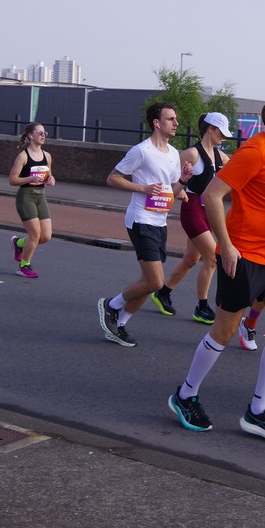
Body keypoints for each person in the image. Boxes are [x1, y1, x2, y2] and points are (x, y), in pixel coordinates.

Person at [167, 90, 265, 443]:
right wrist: (226, 247)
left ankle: (258, 411)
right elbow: (212, 195)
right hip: (245, 256)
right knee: (224, 331)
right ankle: (185, 394)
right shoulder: (254, 151)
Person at [97, 102, 192, 347]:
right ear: (157, 123)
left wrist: (182, 183)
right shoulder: (141, 151)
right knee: (156, 282)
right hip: (141, 219)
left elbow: (170, 190)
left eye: (175, 119)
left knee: (148, 282)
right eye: (170, 119)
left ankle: (119, 325)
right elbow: (112, 178)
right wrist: (143, 188)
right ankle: (112, 305)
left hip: (160, 222)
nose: (176, 123)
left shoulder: (173, 153)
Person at [152, 112, 232, 325]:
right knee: (213, 258)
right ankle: (202, 307)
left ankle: (163, 293)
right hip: (193, 210)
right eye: (221, 132)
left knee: (191, 259)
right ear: (210, 129)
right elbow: (170, 178)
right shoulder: (192, 154)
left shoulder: (221, 157)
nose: (224, 137)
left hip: (210, 211)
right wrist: (179, 190)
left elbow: (237, 174)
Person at [7, 122, 55, 278]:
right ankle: (24, 266)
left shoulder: (47, 156)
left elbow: (48, 174)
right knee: (35, 234)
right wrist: (30, 178)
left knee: (45, 236)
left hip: (41, 196)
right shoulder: (23, 156)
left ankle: (19, 243)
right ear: (30, 135)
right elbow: (12, 180)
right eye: (40, 133)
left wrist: (50, 179)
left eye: (44, 133)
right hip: (26, 197)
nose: (43, 136)